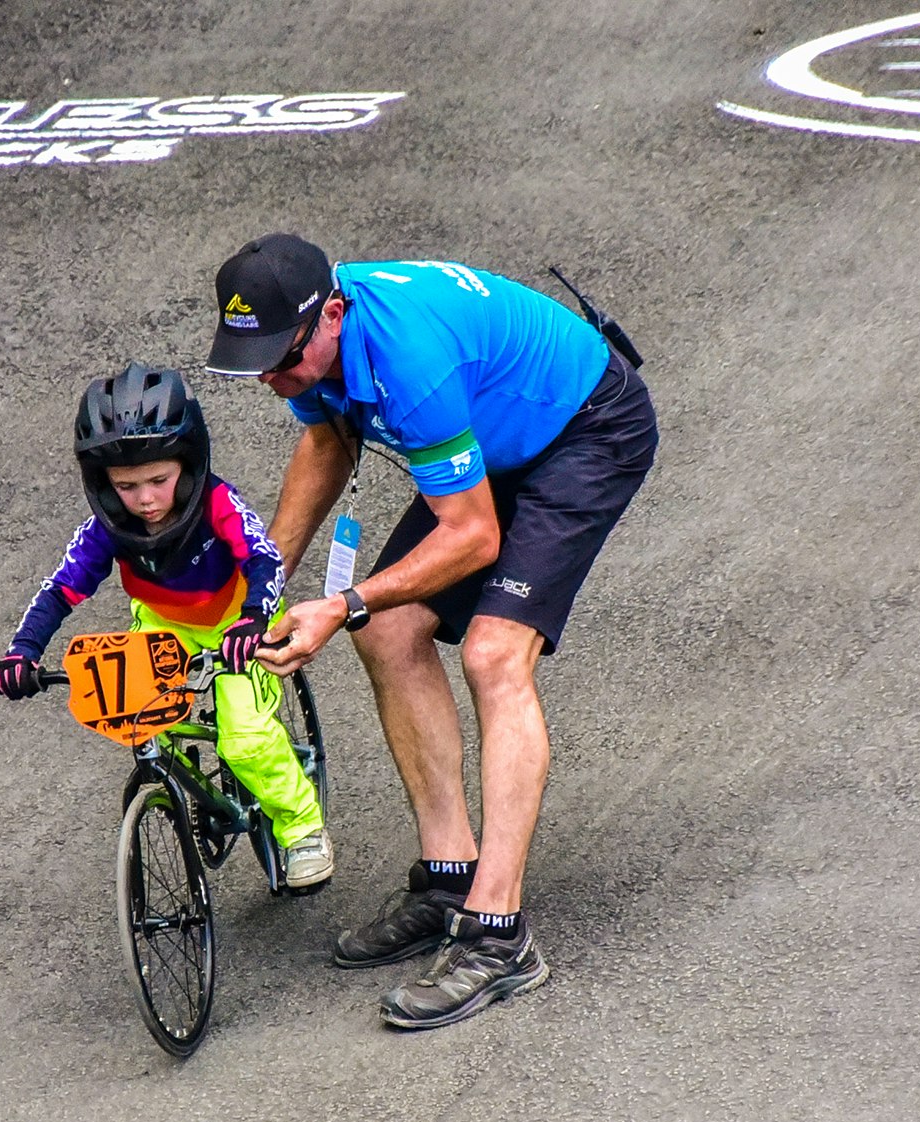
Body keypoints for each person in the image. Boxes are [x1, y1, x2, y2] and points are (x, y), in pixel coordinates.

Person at [205, 233, 657, 1028]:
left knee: (493, 655)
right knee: (387, 632)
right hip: (492, 434)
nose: (273, 378)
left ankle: (498, 933)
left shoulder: (412, 363)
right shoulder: (323, 339)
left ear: (332, 316)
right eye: (259, 362)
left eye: (282, 358)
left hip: (586, 431)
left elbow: (475, 537)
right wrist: (265, 584)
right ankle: (451, 876)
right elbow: (327, 440)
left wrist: (339, 603)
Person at [0, 360, 333, 889]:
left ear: (188, 465)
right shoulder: (106, 528)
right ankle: (182, 793)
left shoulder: (218, 501)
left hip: (234, 623)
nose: (145, 500)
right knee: (140, 722)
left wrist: (253, 620)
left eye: (159, 480)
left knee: (242, 740)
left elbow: (265, 560)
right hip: (161, 625)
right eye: (125, 486)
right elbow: (60, 589)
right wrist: (22, 653)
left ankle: (303, 828)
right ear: (102, 484)